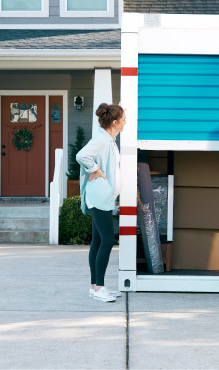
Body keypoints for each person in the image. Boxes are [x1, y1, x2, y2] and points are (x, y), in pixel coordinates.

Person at [76, 103, 127, 303]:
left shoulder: (109, 140)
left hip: (103, 197)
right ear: (114, 122)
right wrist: (95, 169)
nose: (125, 123)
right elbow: (82, 155)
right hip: (99, 197)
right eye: (123, 120)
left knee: (98, 241)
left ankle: (94, 287)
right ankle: (99, 288)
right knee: (107, 240)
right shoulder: (102, 140)